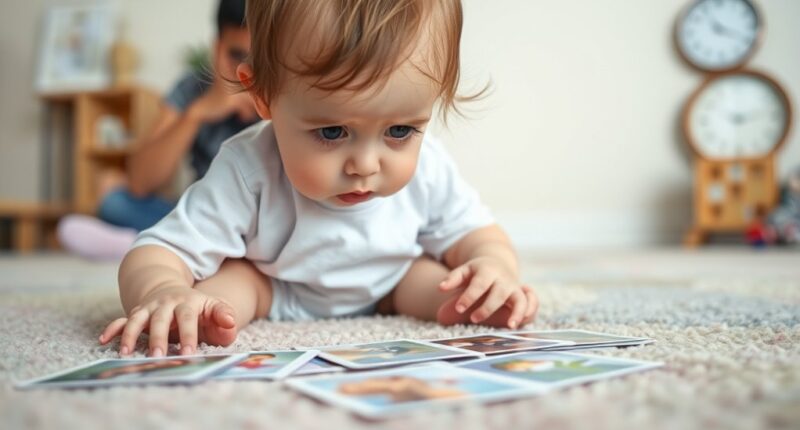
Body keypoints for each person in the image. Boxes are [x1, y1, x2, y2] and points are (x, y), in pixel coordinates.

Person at [99, 0, 539, 358]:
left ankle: (481, 305)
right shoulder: (247, 167)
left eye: (400, 131)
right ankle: (194, 314)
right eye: (332, 132)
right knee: (219, 300)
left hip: (393, 283)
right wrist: (163, 289)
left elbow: (478, 234)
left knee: (455, 289)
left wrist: (494, 267)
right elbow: (156, 251)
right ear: (263, 96)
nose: (366, 164)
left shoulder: (431, 168)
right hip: (274, 284)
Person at [57, 0, 258, 260]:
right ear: (217, 47)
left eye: (259, 61)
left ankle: (152, 245)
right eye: (236, 56)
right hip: (203, 216)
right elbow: (140, 182)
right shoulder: (192, 89)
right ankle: (173, 246)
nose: (246, 74)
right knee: (114, 201)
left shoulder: (287, 92)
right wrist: (197, 114)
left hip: (264, 221)